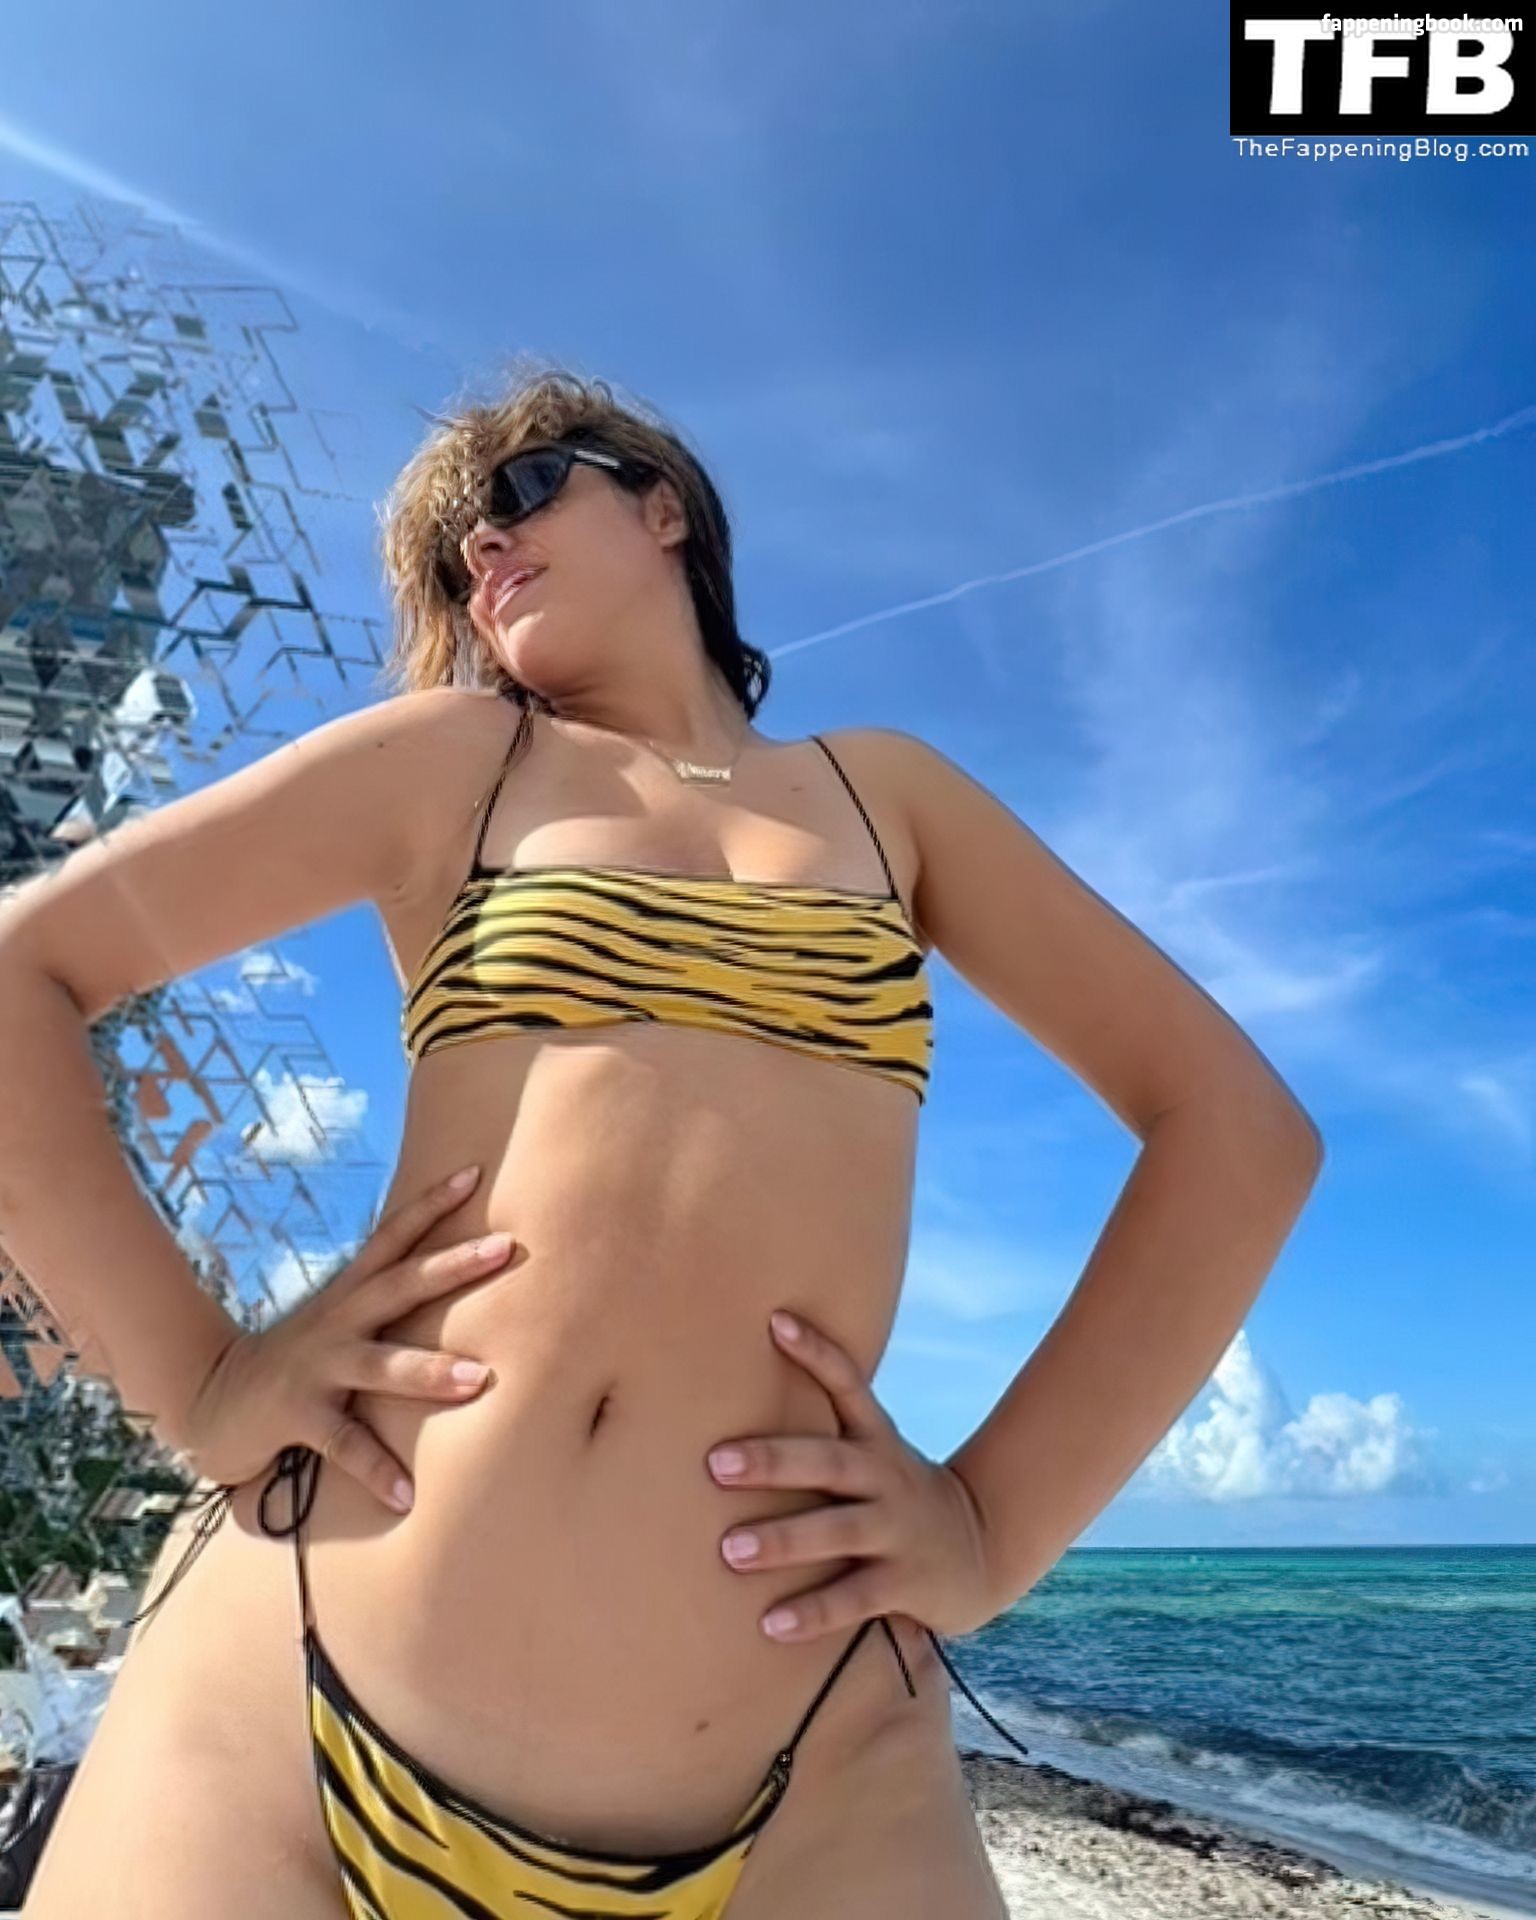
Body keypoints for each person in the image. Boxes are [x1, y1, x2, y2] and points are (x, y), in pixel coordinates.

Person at [0, 360, 1324, 1918]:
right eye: (455, 561)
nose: (482, 550)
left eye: (518, 493)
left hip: (819, 1787)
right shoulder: (460, 760)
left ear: (665, 509)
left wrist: (990, 1524)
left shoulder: (884, 798)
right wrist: (206, 1382)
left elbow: (1240, 1133)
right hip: (289, 1703)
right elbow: (23, 971)